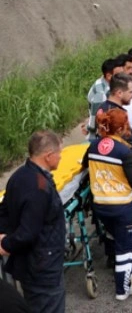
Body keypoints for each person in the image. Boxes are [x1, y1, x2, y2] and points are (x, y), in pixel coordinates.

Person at [83, 109, 132, 301]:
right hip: (123, 206)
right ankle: (122, 290)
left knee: (123, 238)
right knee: (124, 250)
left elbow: (84, 165)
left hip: (101, 206)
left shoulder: (93, 146)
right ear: (121, 128)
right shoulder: (124, 150)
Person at [0, 131, 65, 312]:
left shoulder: (19, 176)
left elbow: (3, 211)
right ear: (48, 156)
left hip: (30, 266)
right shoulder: (40, 189)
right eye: (59, 153)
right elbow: (27, 233)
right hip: (44, 267)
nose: (61, 157)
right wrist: (5, 243)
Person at [83, 58, 124, 139]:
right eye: (118, 75)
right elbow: (95, 116)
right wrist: (91, 130)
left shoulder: (106, 82)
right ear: (109, 76)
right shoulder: (100, 94)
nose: (122, 77)